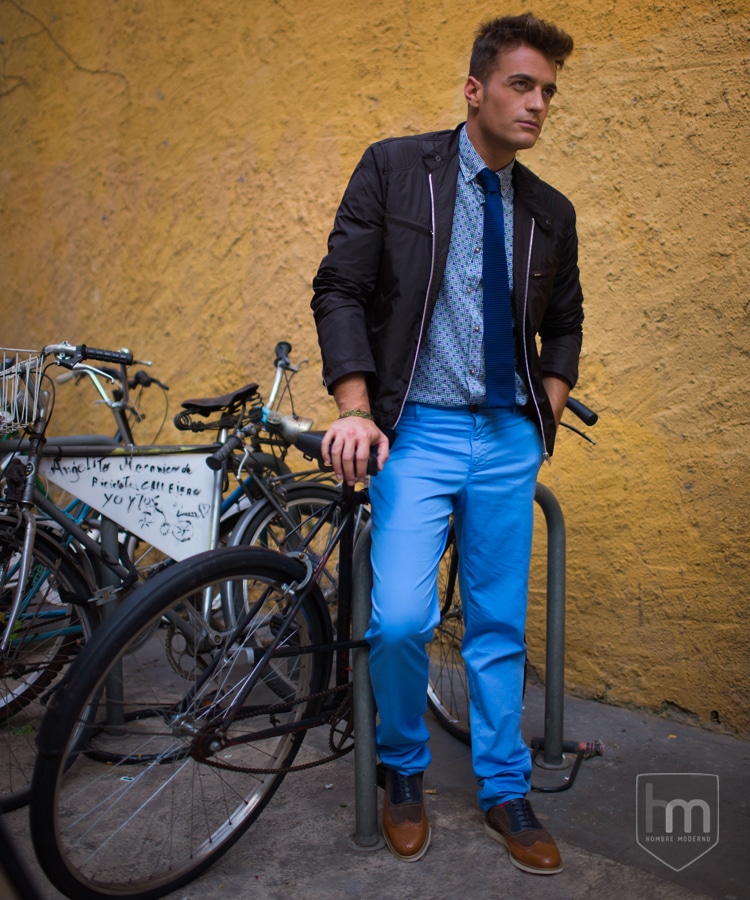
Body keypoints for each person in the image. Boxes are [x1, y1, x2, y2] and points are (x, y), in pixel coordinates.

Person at [311, 12, 584, 875]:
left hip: (506, 438)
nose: (537, 104)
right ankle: (403, 766)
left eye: (548, 92)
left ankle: (505, 786)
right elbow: (340, 287)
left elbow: (565, 324)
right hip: (417, 431)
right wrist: (355, 406)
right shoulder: (397, 170)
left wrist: (546, 405)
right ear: (475, 89)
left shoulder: (550, 211)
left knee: (497, 624)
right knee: (398, 618)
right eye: (521, 84)